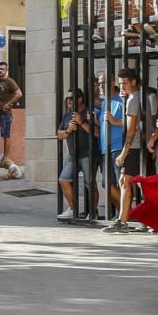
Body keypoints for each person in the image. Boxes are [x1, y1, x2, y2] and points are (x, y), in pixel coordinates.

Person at [102, 68, 144, 233]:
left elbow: (131, 129)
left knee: (125, 182)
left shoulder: (133, 99)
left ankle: (124, 220)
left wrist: (124, 152)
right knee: (126, 182)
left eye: (124, 83)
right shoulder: (132, 98)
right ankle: (123, 219)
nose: (122, 87)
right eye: (120, 84)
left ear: (133, 82)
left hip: (133, 147)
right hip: (136, 146)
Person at [57, 88, 95, 220]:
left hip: (87, 154)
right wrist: (68, 130)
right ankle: (73, 209)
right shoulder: (67, 115)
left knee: (90, 184)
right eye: (67, 98)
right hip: (73, 155)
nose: (68, 101)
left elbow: (96, 132)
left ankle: (93, 211)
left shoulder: (88, 112)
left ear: (80, 99)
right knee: (64, 179)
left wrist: (81, 122)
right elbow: (59, 134)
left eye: (71, 98)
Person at [99, 75, 125, 220]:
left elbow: (130, 122)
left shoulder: (120, 101)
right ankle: (123, 213)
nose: (101, 85)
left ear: (112, 82)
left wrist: (115, 121)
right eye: (99, 83)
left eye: (104, 82)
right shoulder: (104, 103)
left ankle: (126, 214)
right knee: (107, 183)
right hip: (105, 149)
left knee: (118, 183)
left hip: (117, 147)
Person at [0, 61, 23, 167]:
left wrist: (9, 104)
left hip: (5, 112)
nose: (0, 71)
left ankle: (6, 158)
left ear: (6, 70)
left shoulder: (10, 81)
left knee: (6, 135)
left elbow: (19, 94)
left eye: (2, 69)